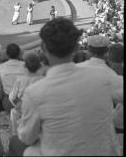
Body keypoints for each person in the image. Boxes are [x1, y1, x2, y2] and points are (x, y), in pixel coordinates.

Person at [8, 18, 123, 157]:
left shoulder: (34, 93)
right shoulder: (105, 75)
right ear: (75, 47)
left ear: (44, 48)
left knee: (15, 142)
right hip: (106, 151)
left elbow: (26, 137)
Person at [8, 52, 44, 136]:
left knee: (14, 112)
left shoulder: (20, 79)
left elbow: (13, 96)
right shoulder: (42, 78)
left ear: (25, 66)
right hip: (38, 107)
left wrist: (15, 100)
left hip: (25, 107)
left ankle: (15, 134)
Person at [0, 43, 25, 114]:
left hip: (9, 101)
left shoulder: (0, 67)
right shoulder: (25, 65)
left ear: (7, 55)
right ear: (18, 54)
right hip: (23, 99)